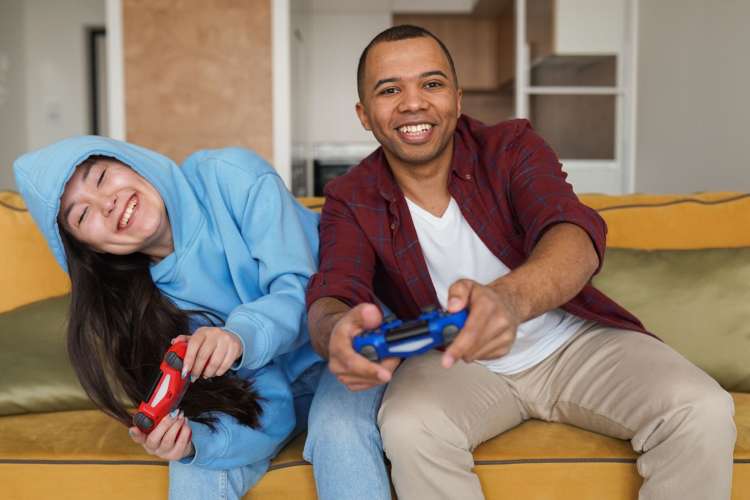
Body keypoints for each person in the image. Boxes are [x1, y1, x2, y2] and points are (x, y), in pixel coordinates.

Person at [305, 25, 737, 500]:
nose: (413, 103)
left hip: (571, 344)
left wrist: (506, 302)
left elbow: (573, 234)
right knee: (409, 426)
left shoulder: (511, 147)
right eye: (390, 90)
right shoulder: (350, 197)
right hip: (454, 364)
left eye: (432, 84)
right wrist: (335, 334)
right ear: (364, 115)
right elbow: (334, 292)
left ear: (457, 97)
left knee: (702, 408)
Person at [14, 136, 324, 500]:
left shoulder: (229, 175)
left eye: (100, 178)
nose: (107, 203)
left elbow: (305, 290)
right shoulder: (139, 309)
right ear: (88, 249)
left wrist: (238, 336)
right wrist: (194, 443)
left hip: (342, 353)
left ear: (130, 160)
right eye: (82, 215)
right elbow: (265, 406)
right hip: (282, 393)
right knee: (195, 471)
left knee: (339, 435)